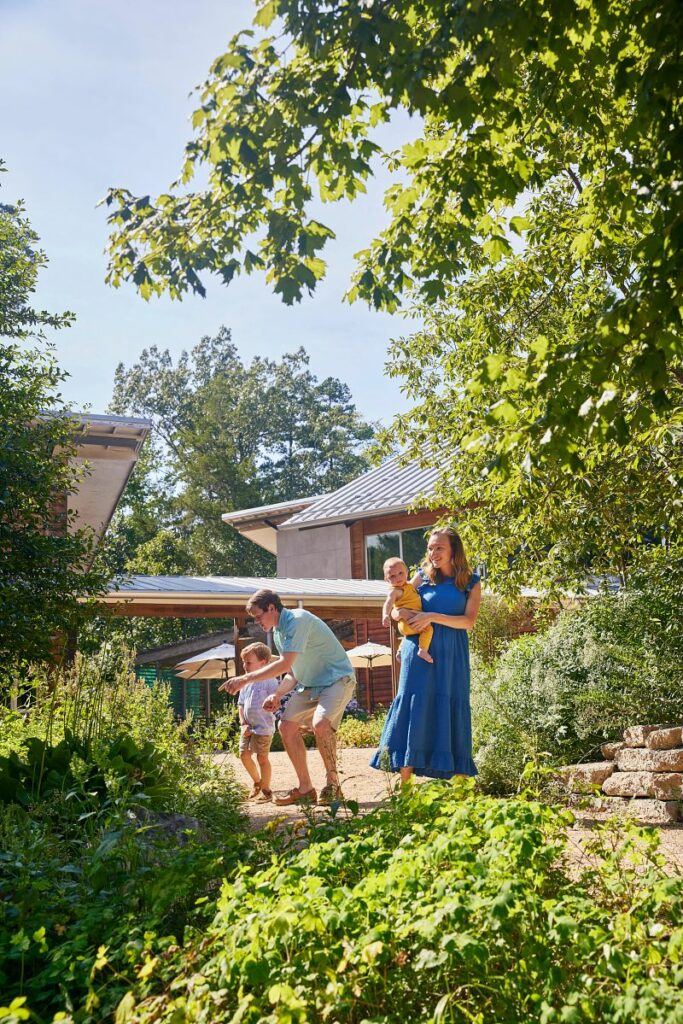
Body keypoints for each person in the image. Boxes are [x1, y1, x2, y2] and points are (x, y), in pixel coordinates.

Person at [224, 589, 356, 806]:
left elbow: (283, 664)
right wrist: (277, 694)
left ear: (272, 608)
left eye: (258, 616)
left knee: (321, 724)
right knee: (286, 727)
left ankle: (333, 786)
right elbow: (293, 671)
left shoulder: (298, 620)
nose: (257, 622)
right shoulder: (278, 633)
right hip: (309, 684)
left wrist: (245, 679)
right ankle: (305, 788)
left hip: (336, 680)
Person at [370, 527, 481, 781]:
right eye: (430, 548)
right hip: (417, 651)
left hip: (453, 654)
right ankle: (406, 788)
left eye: (439, 547)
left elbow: (468, 622)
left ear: (454, 550)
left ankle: (462, 792)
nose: (433, 553)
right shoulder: (421, 577)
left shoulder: (471, 582)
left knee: (453, 705)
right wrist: (397, 614)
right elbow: (400, 602)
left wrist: (431, 616)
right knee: (412, 705)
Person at [233, 641, 281, 803]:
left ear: (264, 663)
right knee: (244, 755)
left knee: (262, 758)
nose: (245, 665)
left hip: (264, 727)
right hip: (247, 727)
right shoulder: (245, 683)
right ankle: (257, 782)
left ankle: (266, 791)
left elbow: (276, 700)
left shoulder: (270, 681)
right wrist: (242, 723)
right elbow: (240, 704)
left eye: (248, 662)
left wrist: (273, 704)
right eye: (243, 662)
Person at [382, 556, 434, 663]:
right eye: (392, 576)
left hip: (407, 622)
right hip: (409, 620)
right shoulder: (395, 591)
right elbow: (388, 603)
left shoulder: (409, 586)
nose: (397, 578)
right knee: (428, 629)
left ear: (406, 571)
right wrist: (385, 615)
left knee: (408, 634)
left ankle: (400, 651)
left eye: (400, 573)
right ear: (386, 579)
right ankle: (423, 649)